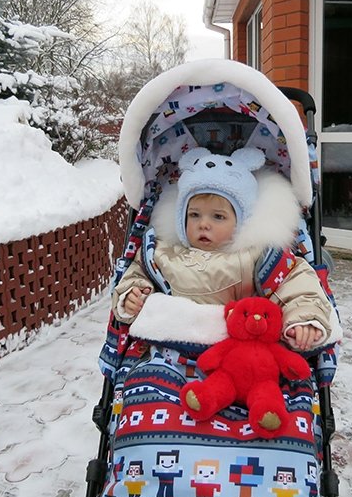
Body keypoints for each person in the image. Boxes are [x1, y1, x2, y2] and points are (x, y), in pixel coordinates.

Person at [111, 146, 332, 351]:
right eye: (194, 215)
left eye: (218, 216)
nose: (203, 224)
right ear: (180, 218)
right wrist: (133, 294)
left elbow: (297, 282)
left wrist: (304, 317)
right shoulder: (163, 252)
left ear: (242, 221)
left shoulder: (257, 255)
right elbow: (137, 272)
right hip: (171, 349)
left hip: (238, 351)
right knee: (146, 385)